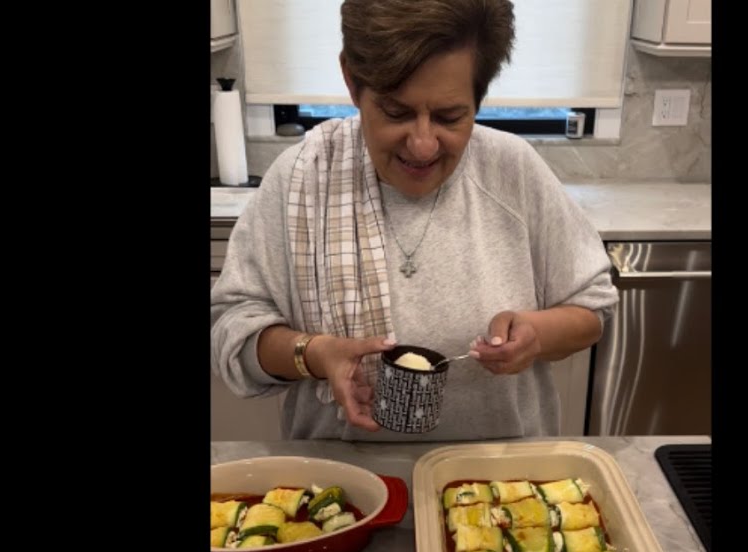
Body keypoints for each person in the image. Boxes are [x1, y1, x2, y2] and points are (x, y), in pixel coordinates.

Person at [210, 0, 617, 441]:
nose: (423, 145)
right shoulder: (302, 180)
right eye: (396, 112)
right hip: (342, 478)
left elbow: (592, 307)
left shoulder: (511, 171)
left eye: (449, 117)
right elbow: (233, 331)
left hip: (501, 477)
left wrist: (538, 334)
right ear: (352, 81)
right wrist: (314, 353)